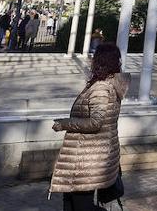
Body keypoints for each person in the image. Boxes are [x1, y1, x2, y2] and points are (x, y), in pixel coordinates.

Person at [49, 43, 129, 210]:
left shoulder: (101, 87)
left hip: (88, 157)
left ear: (101, 61)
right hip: (89, 153)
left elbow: (96, 122)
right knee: (70, 202)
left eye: (95, 57)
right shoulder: (108, 83)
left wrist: (64, 124)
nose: (91, 60)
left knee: (81, 206)